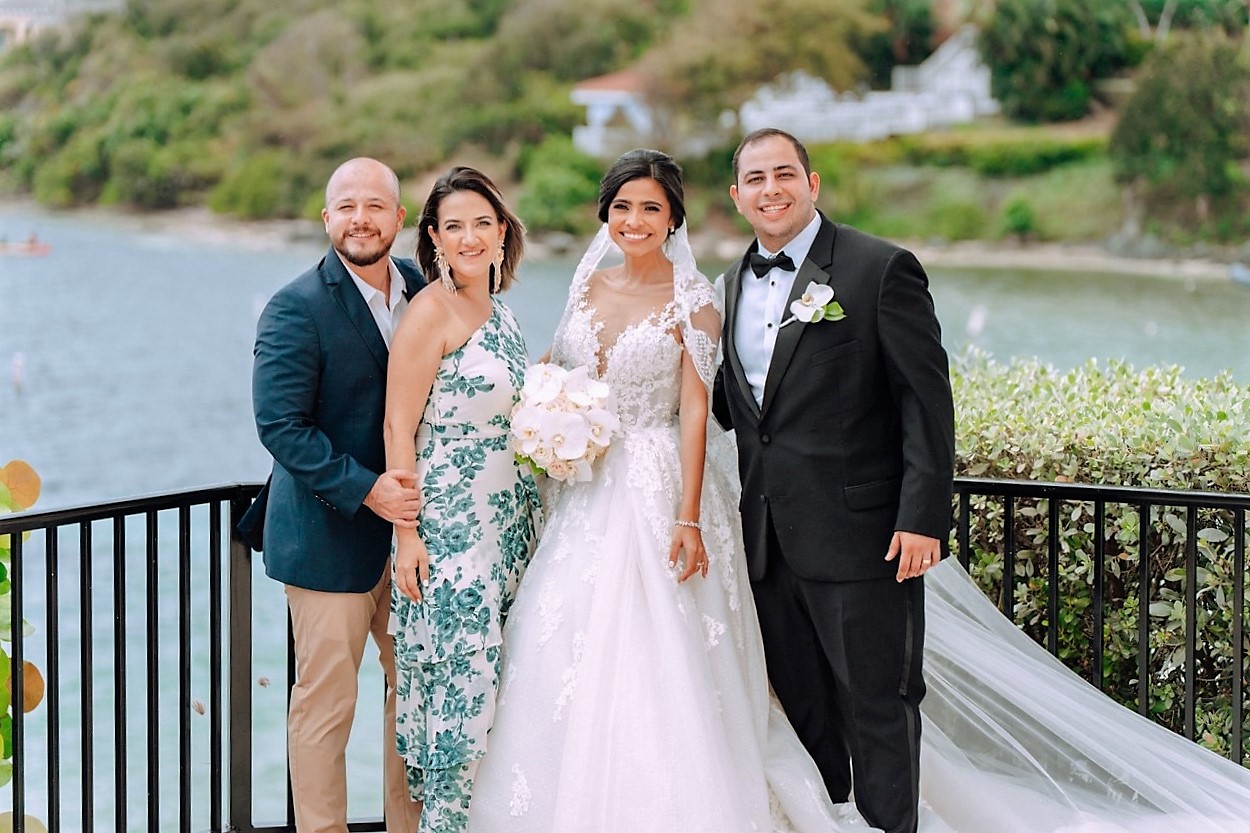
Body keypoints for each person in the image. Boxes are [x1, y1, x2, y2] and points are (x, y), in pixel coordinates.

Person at [467, 149, 845, 833]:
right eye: (620, 207)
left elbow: (695, 410)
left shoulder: (693, 300)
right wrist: (544, 413)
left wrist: (689, 516)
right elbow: (557, 370)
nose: (633, 220)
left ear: (673, 218)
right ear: (605, 215)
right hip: (583, 493)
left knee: (658, 648)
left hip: (657, 481)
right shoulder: (586, 290)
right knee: (566, 643)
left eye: (649, 208)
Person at [713, 127, 956, 833]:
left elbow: (925, 400)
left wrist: (923, 517)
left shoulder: (880, 269)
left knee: (878, 705)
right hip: (766, 544)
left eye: (784, 174)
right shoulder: (727, 287)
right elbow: (738, 412)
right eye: (755, 179)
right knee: (805, 714)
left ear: (812, 184)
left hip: (863, 539)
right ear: (736, 197)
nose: (771, 189)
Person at [242, 157, 424, 833]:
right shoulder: (296, 306)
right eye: (346, 205)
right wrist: (367, 489)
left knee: (415, 700)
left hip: (411, 543)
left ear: (399, 219)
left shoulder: (419, 286)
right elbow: (280, 426)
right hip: (327, 542)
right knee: (326, 705)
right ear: (326, 219)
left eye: (375, 205)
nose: (361, 218)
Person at [384, 166, 540, 833]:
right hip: (450, 536)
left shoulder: (500, 314)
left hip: (508, 533)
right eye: (454, 226)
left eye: (482, 222)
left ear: (503, 231)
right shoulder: (430, 312)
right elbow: (398, 425)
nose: (470, 237)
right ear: (434, 240)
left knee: (504, 699)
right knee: (461, 700)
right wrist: (408, 536)